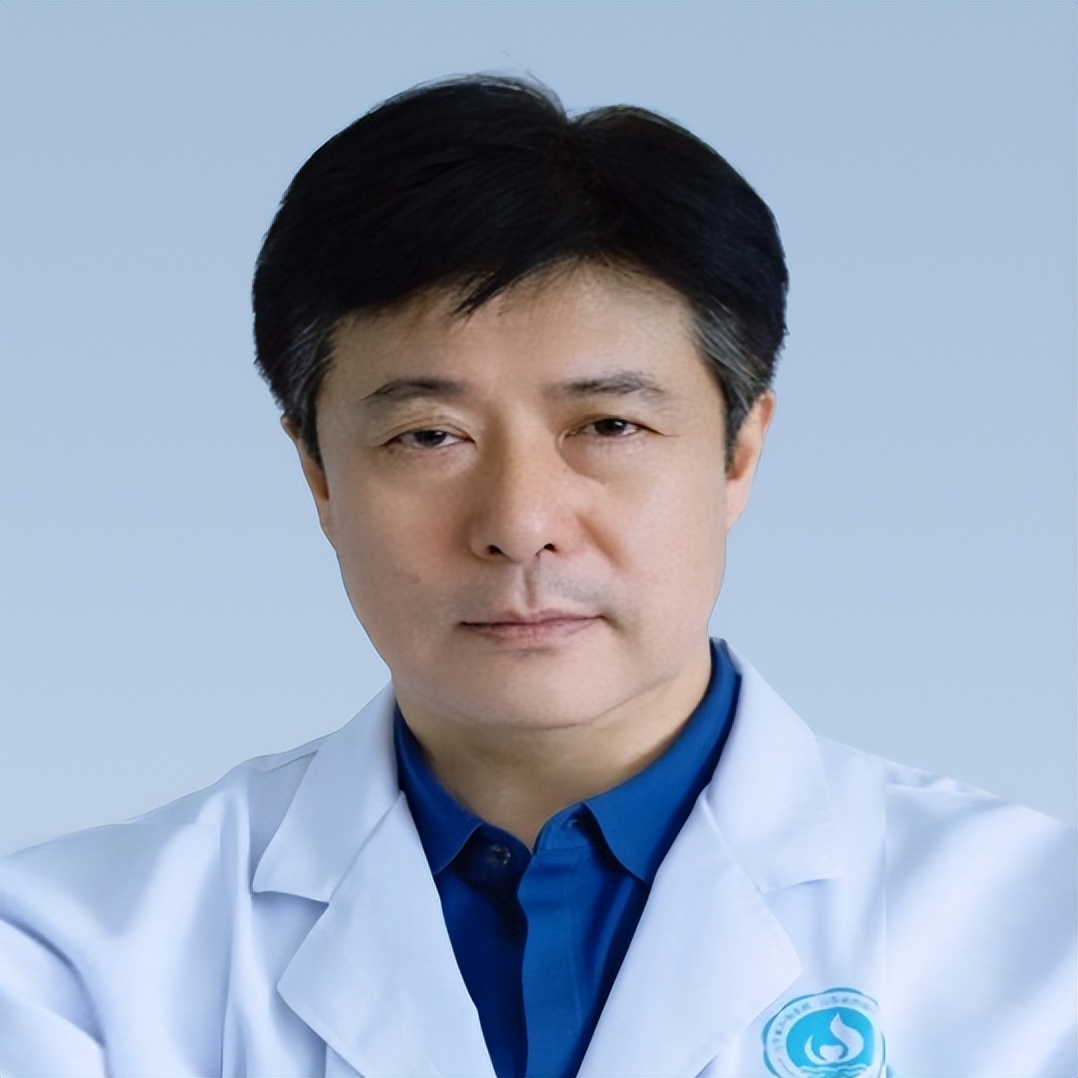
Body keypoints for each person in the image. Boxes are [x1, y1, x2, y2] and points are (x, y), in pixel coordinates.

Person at [1, 74, 1073, 1078]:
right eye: (429, 436)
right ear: (318, 474)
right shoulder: (69, 958)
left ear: (738, 452)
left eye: (607, 425)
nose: (520, 526)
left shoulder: (1040, 937)